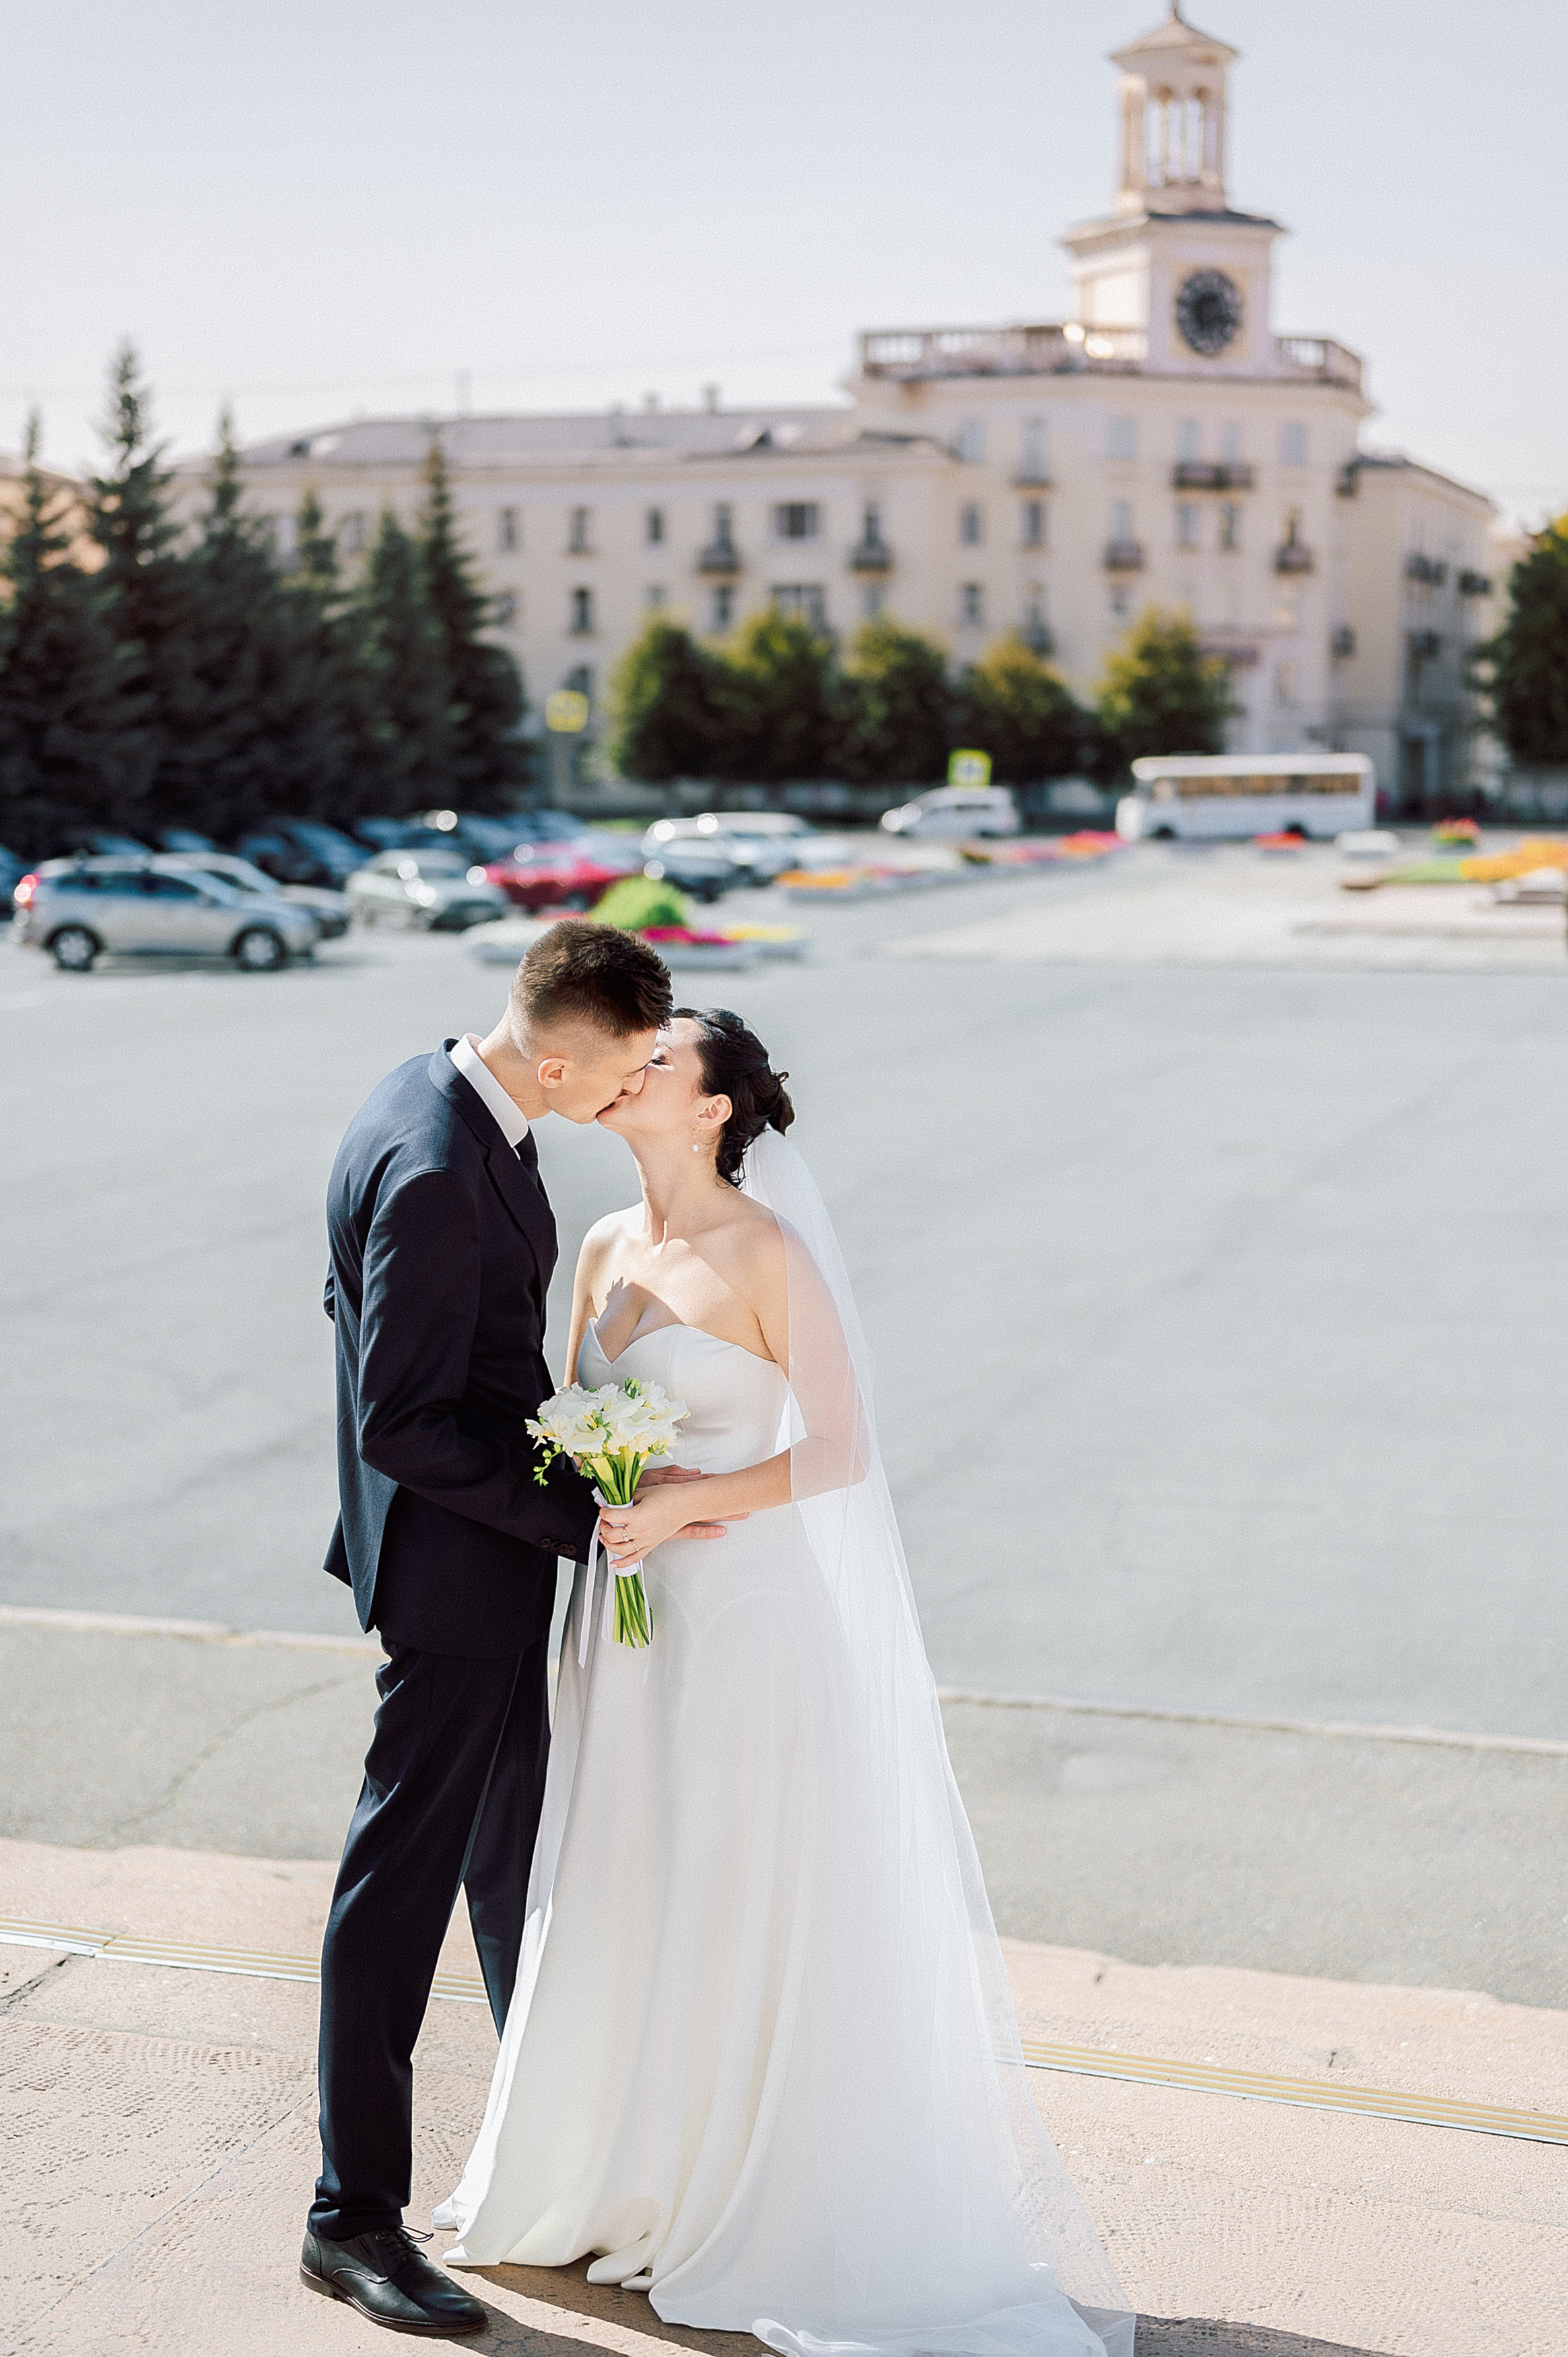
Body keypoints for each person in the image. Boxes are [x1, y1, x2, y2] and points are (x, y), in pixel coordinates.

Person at [432, 1009, 1133, 2357]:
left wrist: (692, 1504)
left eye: (662, 1059)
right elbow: (574, 1424)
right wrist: (601, 1494)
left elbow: (842, 1449)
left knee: (730, 1887)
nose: (632, 1067)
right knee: (624, 1876)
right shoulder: (599, 1244)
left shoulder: (766, 1252)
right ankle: (618, 2172)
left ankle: (736, 2192)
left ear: (709, 1110)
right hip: (624, 1628)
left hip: (744, 1624)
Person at [301, 923, 728, 2338]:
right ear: (556, 1053)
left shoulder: (436, 1090)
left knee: (509, 1868)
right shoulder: (435, 1165)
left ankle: (550, 2156)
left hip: (466, 1560)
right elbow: (403, 1417)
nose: (622, 1101)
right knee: (400, 1889)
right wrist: (584, 1508)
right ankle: (351, 2219)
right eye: (611, 1080)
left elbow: (363, 1313)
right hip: (454, 1587)